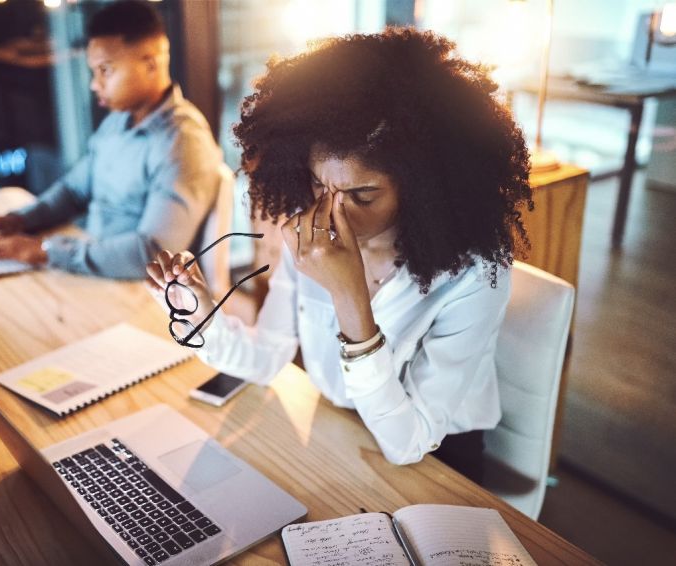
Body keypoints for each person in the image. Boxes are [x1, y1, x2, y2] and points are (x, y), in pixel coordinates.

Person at [145, 28, 533, 484]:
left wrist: (349, 297)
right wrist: (200, 314)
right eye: (318, 185)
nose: (332, 212)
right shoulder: (306, 230)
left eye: (362, 194)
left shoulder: (472, 275)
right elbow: (270, 356)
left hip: (437, 459)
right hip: (337, 428)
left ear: (423, 189)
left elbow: (408, 443)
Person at [0, 0, 222, 279]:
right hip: (91, 269)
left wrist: (46, 251)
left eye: (105, 70)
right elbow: (73, 190)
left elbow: (153, 253)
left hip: (140, 291)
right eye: (94, 71)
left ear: (150, 64)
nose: (94, 84)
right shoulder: (118, 120)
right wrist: (19, 220)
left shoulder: (183, 142)